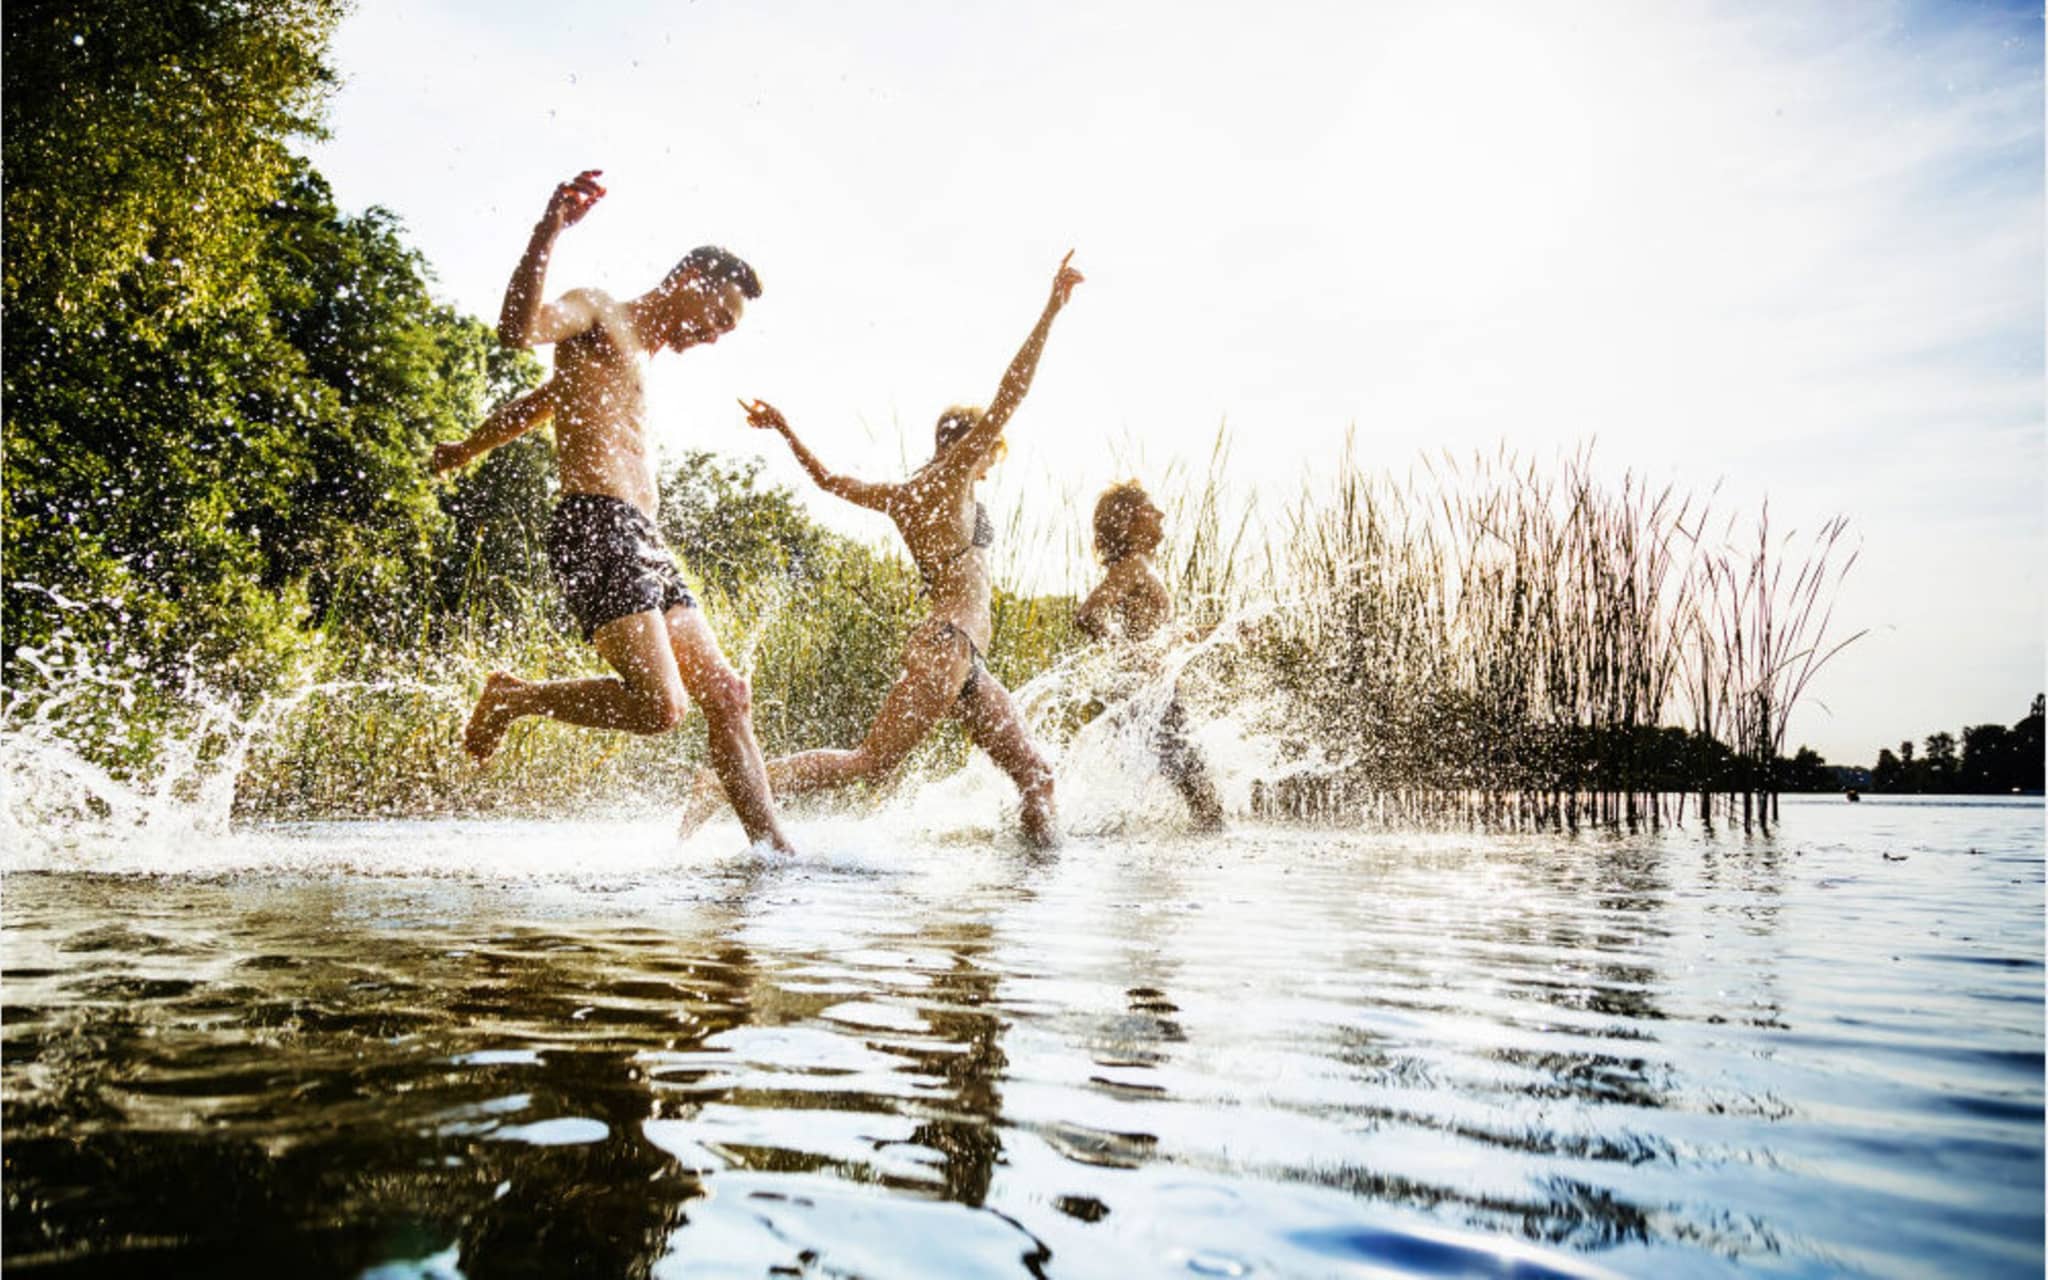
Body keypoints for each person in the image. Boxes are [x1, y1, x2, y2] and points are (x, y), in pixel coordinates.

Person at [429, 169, 793, 853]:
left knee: (728, 693)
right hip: (594, 524)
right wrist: (548, 231)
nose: (716, 336)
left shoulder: (641, 359)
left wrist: (468, 447)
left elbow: (536, 407)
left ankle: (775, 853)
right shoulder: (598, 311)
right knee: (661, 707)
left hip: (643, 537)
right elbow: (517, 330)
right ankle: (514, 697)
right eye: (719, 317)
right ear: (692, 278)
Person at [683, 253, 1085, 848]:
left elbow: (827, 480)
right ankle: (723, 785)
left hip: (962, 657)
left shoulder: (903, 494)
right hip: (947, 648)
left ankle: (1035, 880)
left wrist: (786, 430)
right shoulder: (952, 476)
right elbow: (1012, 391)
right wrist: (1051, 308)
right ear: (974, 448)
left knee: (1036, 775)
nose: (987, 463)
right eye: (986, 452)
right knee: (870, 762)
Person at [1074, 480, 1225, 830]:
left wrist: (1218, 632)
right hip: (1150, 694)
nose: (1161, 514)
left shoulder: (1141, 566)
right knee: (1206, 805)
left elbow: (1161, 637)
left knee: (1197, 797)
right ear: (1128, 522)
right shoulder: (1133, 566)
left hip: (1155, 693)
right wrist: (1132, 655)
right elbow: (1088, 614)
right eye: (1150, 509)